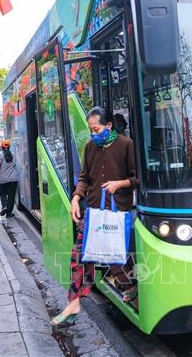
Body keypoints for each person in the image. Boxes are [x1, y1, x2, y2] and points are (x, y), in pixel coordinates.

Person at [51, 106, 138, 325]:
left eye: (96, 129)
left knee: (115, 259)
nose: (93, 134)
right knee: (79, 255)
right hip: (93, 212)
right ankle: (74, 301)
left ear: (109, 126)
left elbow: (137, 178)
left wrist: (120, 184)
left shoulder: (126, 145)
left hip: (117, 211)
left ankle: (132, 290)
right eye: (91, 130)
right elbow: (84, 178)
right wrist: (75, 198)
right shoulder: (90, 146)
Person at [0, 139, 19, 218]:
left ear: (1, 147)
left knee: (3, 194)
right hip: (13, 179)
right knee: (11, 196)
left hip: (3, 179)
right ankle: (9, 214)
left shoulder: (0, 155)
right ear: (9, 147)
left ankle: (4, 206)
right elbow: (15, 164)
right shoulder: (13, 154)